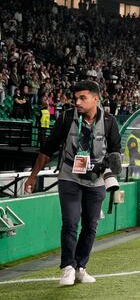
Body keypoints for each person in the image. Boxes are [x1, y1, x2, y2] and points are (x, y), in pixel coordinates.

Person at [23, 80, 121, 287]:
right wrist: (32, 176)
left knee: (91, 225)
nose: (77, 102)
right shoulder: (67, 118)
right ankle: (67, 267)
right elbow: (47, 149)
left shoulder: (110, 121)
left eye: (82, 98)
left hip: (96, 181)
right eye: (75, 98)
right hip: (70, 176)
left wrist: (113, 182)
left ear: (96, 98)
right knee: (70, 222)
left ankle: (80, 268)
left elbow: (115, 153)